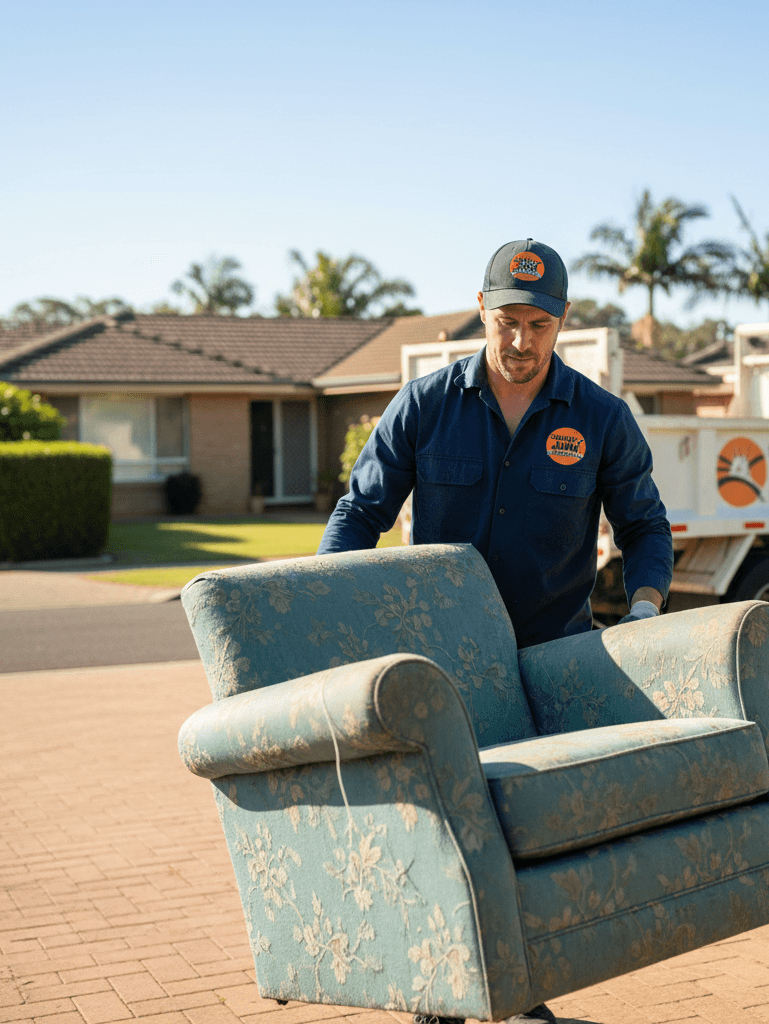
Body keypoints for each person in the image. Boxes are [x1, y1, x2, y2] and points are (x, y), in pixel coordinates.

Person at [318, 238, 673, 1024]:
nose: (520, 341)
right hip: (438, 667)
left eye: (538, 326)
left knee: (532, 837)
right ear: (482, 312)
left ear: (562, 325)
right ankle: (442, 999)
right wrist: (332, 609)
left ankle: (522, 993)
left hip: (550, 662)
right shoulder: (425, 405)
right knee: (439, 830)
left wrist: (644, 611)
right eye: (507, 320)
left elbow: (646, 527)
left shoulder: (601, 419)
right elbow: (360, 514)